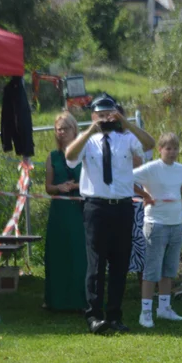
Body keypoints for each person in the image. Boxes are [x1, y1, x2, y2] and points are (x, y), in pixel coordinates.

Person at [65, 94, 155, 334]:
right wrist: (90, 129)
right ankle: (94, 316)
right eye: (100, 114)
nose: (105, 118)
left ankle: (115, 315)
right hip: (96, 207)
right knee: (96, 264)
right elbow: (70, 157)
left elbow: (149, 145)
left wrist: (125, 123)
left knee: (119, 264)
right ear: (93, 115)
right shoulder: (88, 140)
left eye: (109, 113)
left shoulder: (125, 139)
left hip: (123, 206)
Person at [132, 132, 182, 327]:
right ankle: (145, 312)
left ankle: (164, 308)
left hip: (176, 224)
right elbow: (127, 180)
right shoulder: (151, 168)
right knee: (152, 270)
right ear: (160, 150)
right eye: (168, 148)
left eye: (175, 148)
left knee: (169, 269)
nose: (172, 152)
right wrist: (144, 195)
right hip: (155, 224)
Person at [43, 112, 86, 312]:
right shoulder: (52, 157)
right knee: (58, 255)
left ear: (74, 130)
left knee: (80, 255)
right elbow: (48, 187)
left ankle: (81, 301)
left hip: (80, 212)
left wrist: (75, 185)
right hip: (59, 212)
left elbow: (94, 181)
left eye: (65, 128)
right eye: (58, 129)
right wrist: (59, 188)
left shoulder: (84, 153)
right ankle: (55, 300)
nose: (61, 132)